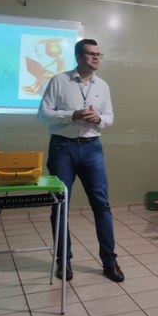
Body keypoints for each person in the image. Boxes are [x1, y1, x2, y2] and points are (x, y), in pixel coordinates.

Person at [37, 38, 124, 283]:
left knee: (102, 206)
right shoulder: (59, 81)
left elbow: (110, 116)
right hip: (62, 148)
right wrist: (71, 115)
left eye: (99, 54)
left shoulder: (102, 85)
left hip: (92, 148)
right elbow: (42, 115)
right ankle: (63, 262)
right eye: (91, 54)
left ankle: (110, 261)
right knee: (60, 205)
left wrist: (99, 120)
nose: (96, 58)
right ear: (78, 56)